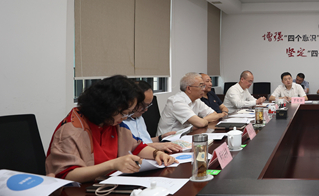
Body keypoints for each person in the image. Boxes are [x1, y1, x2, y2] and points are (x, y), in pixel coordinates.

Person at [45, 75, 176, 182]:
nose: (125, 118)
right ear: (107, 107)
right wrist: (113, 164)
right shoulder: (72, 130)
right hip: (80, 194)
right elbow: (67, 175)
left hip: (108, 186)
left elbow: (136, 147)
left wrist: (157, 154)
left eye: (128, 113)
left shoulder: (113, 124)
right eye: (123, 113)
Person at [121, 81, 182, 153]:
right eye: (143, 106)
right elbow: (131, 148)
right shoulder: (121, 121)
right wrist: (156, 146)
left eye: (148, 105)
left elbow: (144, 140)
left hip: (151, 153)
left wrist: (160, 138)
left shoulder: (139, 116)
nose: (146, 109)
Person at [157, 72, 226, 135]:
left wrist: (203, 120)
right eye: (201, 86)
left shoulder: (197, 100)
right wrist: (201, 121)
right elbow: (200, 123)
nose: (203, 89)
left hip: (186, 135)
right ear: (189, 89)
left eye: (203, 86)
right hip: (168, 139)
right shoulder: (177, 102)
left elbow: (214, 114)